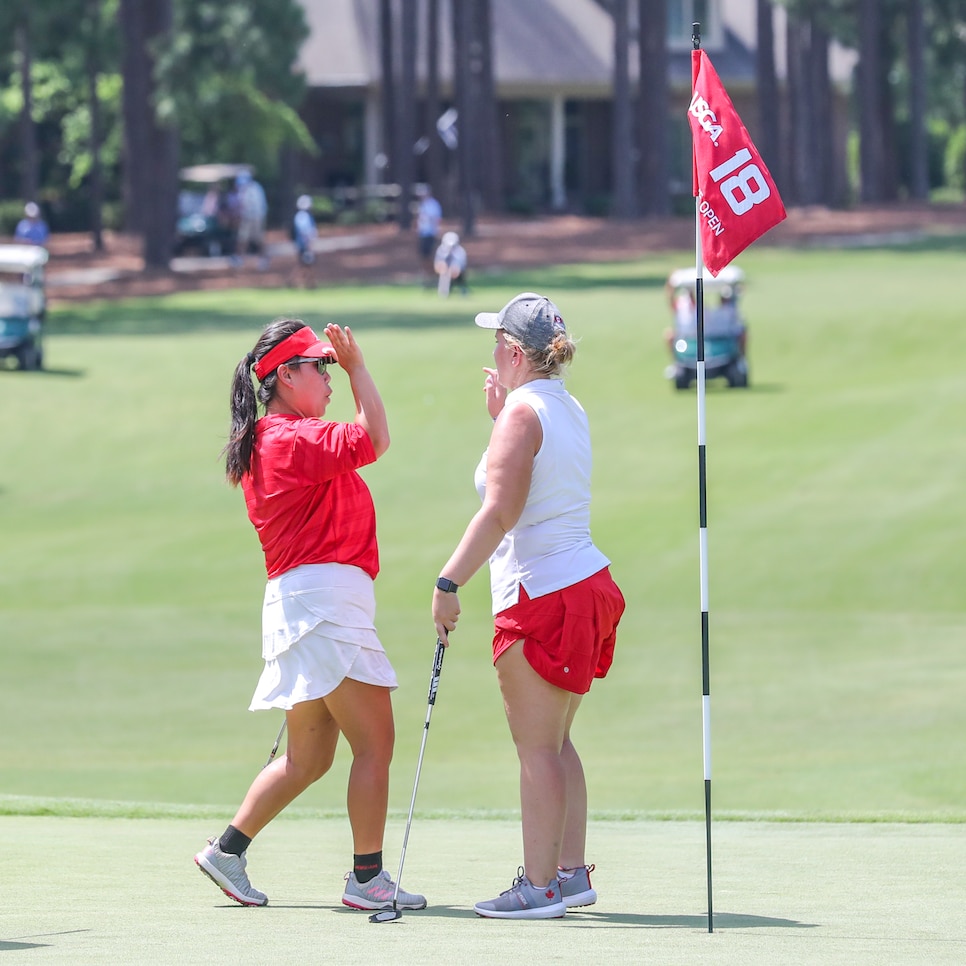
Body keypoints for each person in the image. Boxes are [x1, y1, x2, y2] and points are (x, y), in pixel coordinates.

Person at [194, 319, 426, 913]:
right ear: (283, 378)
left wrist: (346, 372)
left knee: (311, 758)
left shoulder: (280, 438)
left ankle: (227, 851)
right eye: (317, 368)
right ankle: (367, 879)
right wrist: (359, 369)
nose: (326, 378)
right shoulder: (289, 439)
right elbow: (375, 437)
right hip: (323, 605)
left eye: (329, 367)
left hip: (311, 605)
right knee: (376, 743)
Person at [431, 292, 625, 920]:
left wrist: (449, 580)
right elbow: (524, 486)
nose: (492, 353)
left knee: (536, 750)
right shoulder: (566, 406)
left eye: (497, 344)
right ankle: (569, 875)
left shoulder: (522, 413)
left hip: (542, 595)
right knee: (558, 743)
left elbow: (500, 511)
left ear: (515, 354)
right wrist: (502, 416)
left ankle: (539, 887)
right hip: (585, 584)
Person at [234, 171, 268, 269]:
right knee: (242, 238)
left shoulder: (256, 188)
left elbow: (259, 206)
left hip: (256, 218)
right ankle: (239, 259)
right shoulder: (243, 190)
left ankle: (263, 259)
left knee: (259, 239)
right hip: (247, 218)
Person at [415, 184, 442, 285]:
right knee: (423, 256)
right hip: (423, 234)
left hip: (430, 233)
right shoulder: (422, 204)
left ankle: (435, 275)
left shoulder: (433, 204)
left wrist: (436, 232)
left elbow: (435, 219)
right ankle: (427, 276)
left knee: (429, 256)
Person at [289, 195, 318, 288]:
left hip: (302, 243)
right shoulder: (303, 216)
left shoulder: (302, 216)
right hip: (304, 244)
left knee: (304, 264)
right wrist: (308, 244)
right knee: (306, 263)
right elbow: (305, 231)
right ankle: (307, 283)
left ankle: (308, 283)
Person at [433, 230, 469, 296]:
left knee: (458, 277)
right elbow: (437, 263)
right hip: (445, 271)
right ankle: (444, 291)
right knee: (444, 274)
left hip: (457, 272)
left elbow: (460, 265)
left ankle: (463, 290)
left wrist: (453, 269)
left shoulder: (460, 251)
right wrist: (443, 268)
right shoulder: (441, 250)